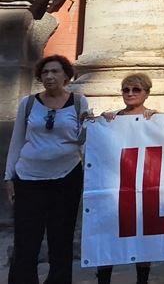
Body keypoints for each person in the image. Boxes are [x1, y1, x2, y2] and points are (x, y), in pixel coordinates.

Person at [5, 55, 92, 284]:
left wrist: (92, 124)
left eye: (55, 71)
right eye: (45, 72)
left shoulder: (79, 102)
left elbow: (83, 140)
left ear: (66, 76)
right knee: (26, 239)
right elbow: (17, 141)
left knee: (61, 238)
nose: (50, 76)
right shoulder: (28, 103)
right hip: (28, 177)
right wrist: (8, 177)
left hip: (66, 177)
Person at [97, 73, 158, 283]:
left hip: (144, 185)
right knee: (108, 233)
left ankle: (142, 279)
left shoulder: (156, 119)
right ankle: (103, 278)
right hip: (115, 184)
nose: (130, 94)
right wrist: (99, 123)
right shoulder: (111, 119)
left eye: (136, 90)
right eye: (126, 90)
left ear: (147, 93)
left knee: (143, 235)